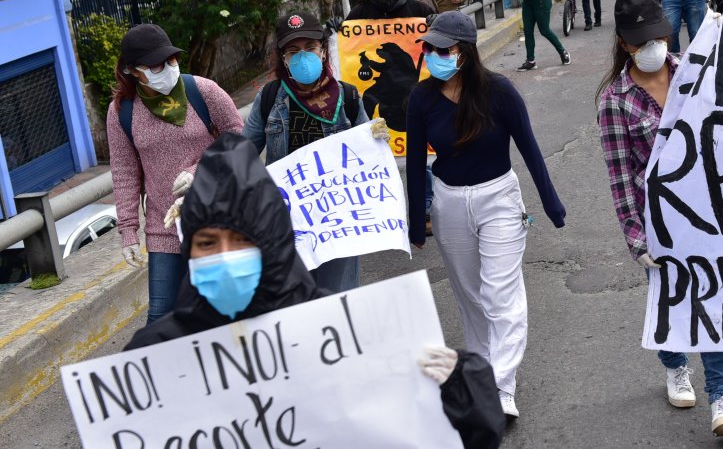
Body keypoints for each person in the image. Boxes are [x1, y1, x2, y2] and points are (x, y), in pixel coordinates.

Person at [125, 133, 507, 449]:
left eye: (240, 242)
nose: (224, 258)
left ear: (271, 243)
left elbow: (445, 434)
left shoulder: (346, 334)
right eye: (207, 244)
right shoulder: (156, 353)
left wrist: (459, 389)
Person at [405, 11, 567, 420]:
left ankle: (501, 386)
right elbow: (413, 160)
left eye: (446, 49)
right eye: (431, 47)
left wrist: (551, 203)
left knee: (500, 295)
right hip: (449, 202)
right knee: (470, 297)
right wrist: (414, 221)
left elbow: (529, 148)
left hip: (499, 200)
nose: (436, 55)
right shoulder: (421, 98)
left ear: (466, 52)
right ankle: (480, 377)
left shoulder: (499, 92)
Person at [596, 0, 723, 437]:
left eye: (658, 36)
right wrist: (635, 239)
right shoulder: (615, 101)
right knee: (674, 301)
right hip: (658, 222)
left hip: (708, 211)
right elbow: (621, 176)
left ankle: (722, 396)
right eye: (641, 42)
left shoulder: (695, 74)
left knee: (713, 301)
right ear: (624, 43)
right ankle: (675, 365)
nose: (653, 48)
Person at [241, 12, 390, 292]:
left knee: (338, 298)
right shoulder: (270, 98)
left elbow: (370, 159)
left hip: (338, 219)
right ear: (283, 58)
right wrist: (202, 180)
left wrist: (377, 138)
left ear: (323, 51)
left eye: (310, 48)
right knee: (296, 305)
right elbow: (241, 153)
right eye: (293, 51)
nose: (303, 57)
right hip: (289, 224)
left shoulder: (347, 96)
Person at [108, 24, 244, 324]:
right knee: (161, 317)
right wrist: (128, 230)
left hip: (217, 216)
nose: (167, 69)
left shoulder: (202, 91)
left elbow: (237, 137)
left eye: (170, 61)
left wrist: (201, 171)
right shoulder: (122, 112)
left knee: (227, 310)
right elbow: (124, 172)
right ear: (131, 70)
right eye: (155, 66)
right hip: (164, 227)